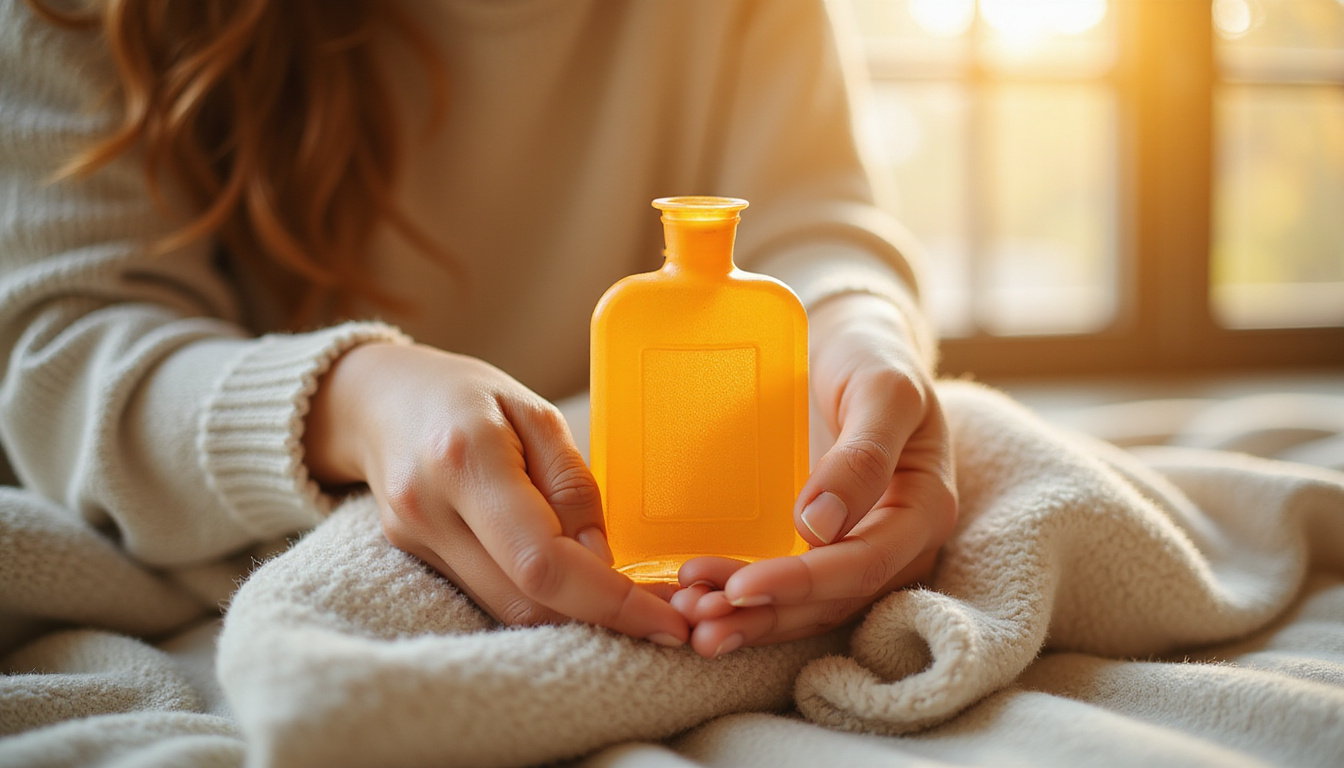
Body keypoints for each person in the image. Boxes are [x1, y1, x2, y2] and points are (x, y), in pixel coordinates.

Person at [0, 0, 957, 658]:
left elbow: (811, 217)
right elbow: (65, 346)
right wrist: (357, 399)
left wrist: (858, 331)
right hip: (231, 535)